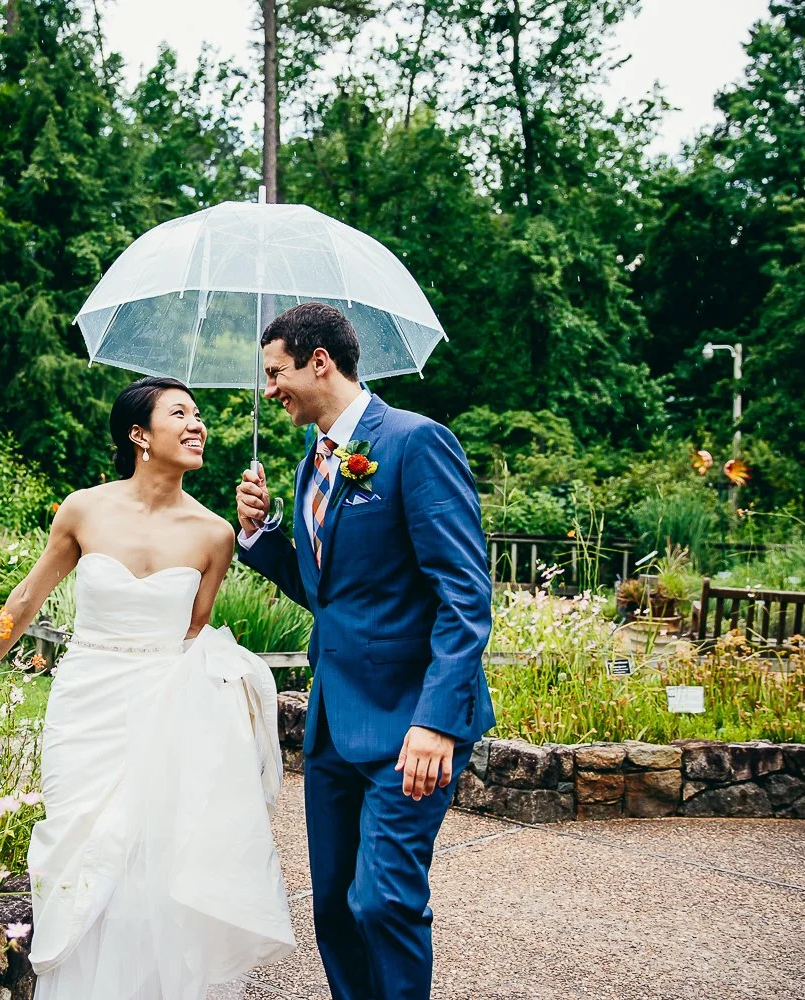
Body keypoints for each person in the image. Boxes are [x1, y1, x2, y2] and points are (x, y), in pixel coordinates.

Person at [0, 375, 295, 1000]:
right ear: (139, 435)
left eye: (199, 415)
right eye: (181, 414)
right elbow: (28, 597)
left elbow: (194, 630)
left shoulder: (216, 533)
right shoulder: (84, 508)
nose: (198, 425)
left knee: (151, 861)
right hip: (85, 703)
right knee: (77, 844)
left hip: (163, 708)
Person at [234, 301, 494, 1000]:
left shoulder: (416, 443)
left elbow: (465, 596)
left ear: (320, 361)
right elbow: (331, 595)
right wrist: (259, 540)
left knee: (382, 902)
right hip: (331, 726)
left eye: (275, 372)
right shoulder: (309, 468)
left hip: (410, 723)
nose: (269, 390)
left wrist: (437, 720)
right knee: (332, 910)